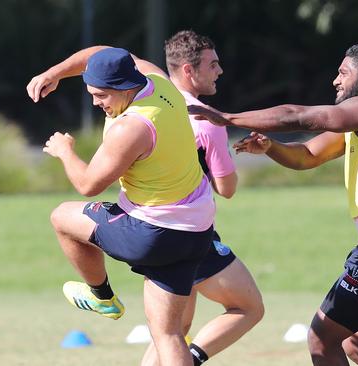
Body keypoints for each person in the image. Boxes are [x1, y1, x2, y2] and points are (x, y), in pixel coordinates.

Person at [191, 42, 358, 366]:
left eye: (343, 73)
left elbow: (304, 116)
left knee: (322, 338)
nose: (336, 80)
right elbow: (307, 156)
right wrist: (270, 147)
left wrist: (227, 117)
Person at [26, 46, 216, 366]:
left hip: (152, 233)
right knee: (168, 335)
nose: (96, 103)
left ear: (125, 88)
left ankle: (102, 297)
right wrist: (54, 72)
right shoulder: (159, 80)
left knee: (61, 217)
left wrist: (64, 151)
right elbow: (104, 52)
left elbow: (88, 185)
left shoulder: (133, 126)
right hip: (196, 231)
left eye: (101, 95)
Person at [141, 30, 264, 366]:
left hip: (147, 226)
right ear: (188, 71)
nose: (220, 71)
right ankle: (191, 360)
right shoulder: (207, 120)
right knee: (249, 307)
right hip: (188, 231)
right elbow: (227, 188)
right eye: (213, 64)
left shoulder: (148, 103)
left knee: (173, 329)